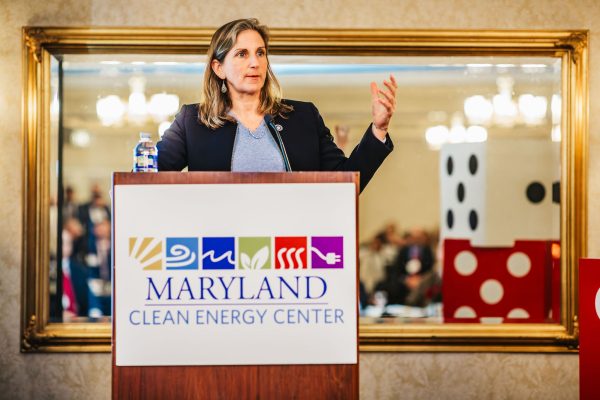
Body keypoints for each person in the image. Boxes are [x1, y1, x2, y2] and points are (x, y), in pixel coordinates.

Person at [157, 18, 397, 191]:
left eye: (260, 53)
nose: (255, 63)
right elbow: (148, 178)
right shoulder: (192, 121)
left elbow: (344, 183)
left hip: (290, 249)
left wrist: (379, 129)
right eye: (242, 54)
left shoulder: (303, 117)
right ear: (218, 68)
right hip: (220, 249)